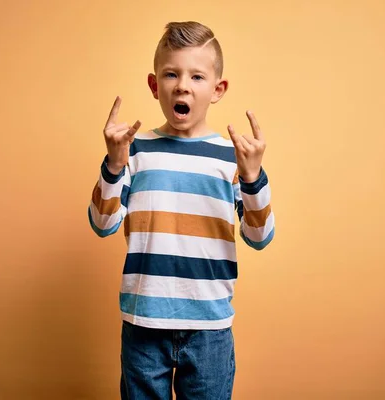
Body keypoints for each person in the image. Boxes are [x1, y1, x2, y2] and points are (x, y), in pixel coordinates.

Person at [88, 20, 275, 400]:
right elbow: (103, 224)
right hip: (143, 322)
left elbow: (260, 236)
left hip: (209, 328)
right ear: (155, 85)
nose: (183, 85)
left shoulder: (232, 157)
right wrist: (112, 163)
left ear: (217, 89)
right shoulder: (134, 149)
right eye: (171, 74)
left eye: (197, 76)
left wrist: (253, 175)